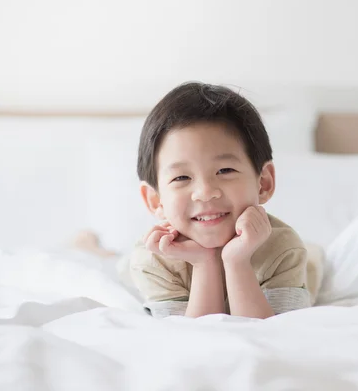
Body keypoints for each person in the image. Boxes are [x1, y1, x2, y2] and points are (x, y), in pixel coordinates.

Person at [126, 82, 317, 319]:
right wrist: (204, 263)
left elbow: (271, 334)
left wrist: (237, 262)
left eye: (225, 170)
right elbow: (191, 339)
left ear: (264, 183)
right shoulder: (154, 258)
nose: (205, 192)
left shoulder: (282, 249)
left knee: (316, 259)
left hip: (309, 264)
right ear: (156, 201)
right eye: (182, 177)